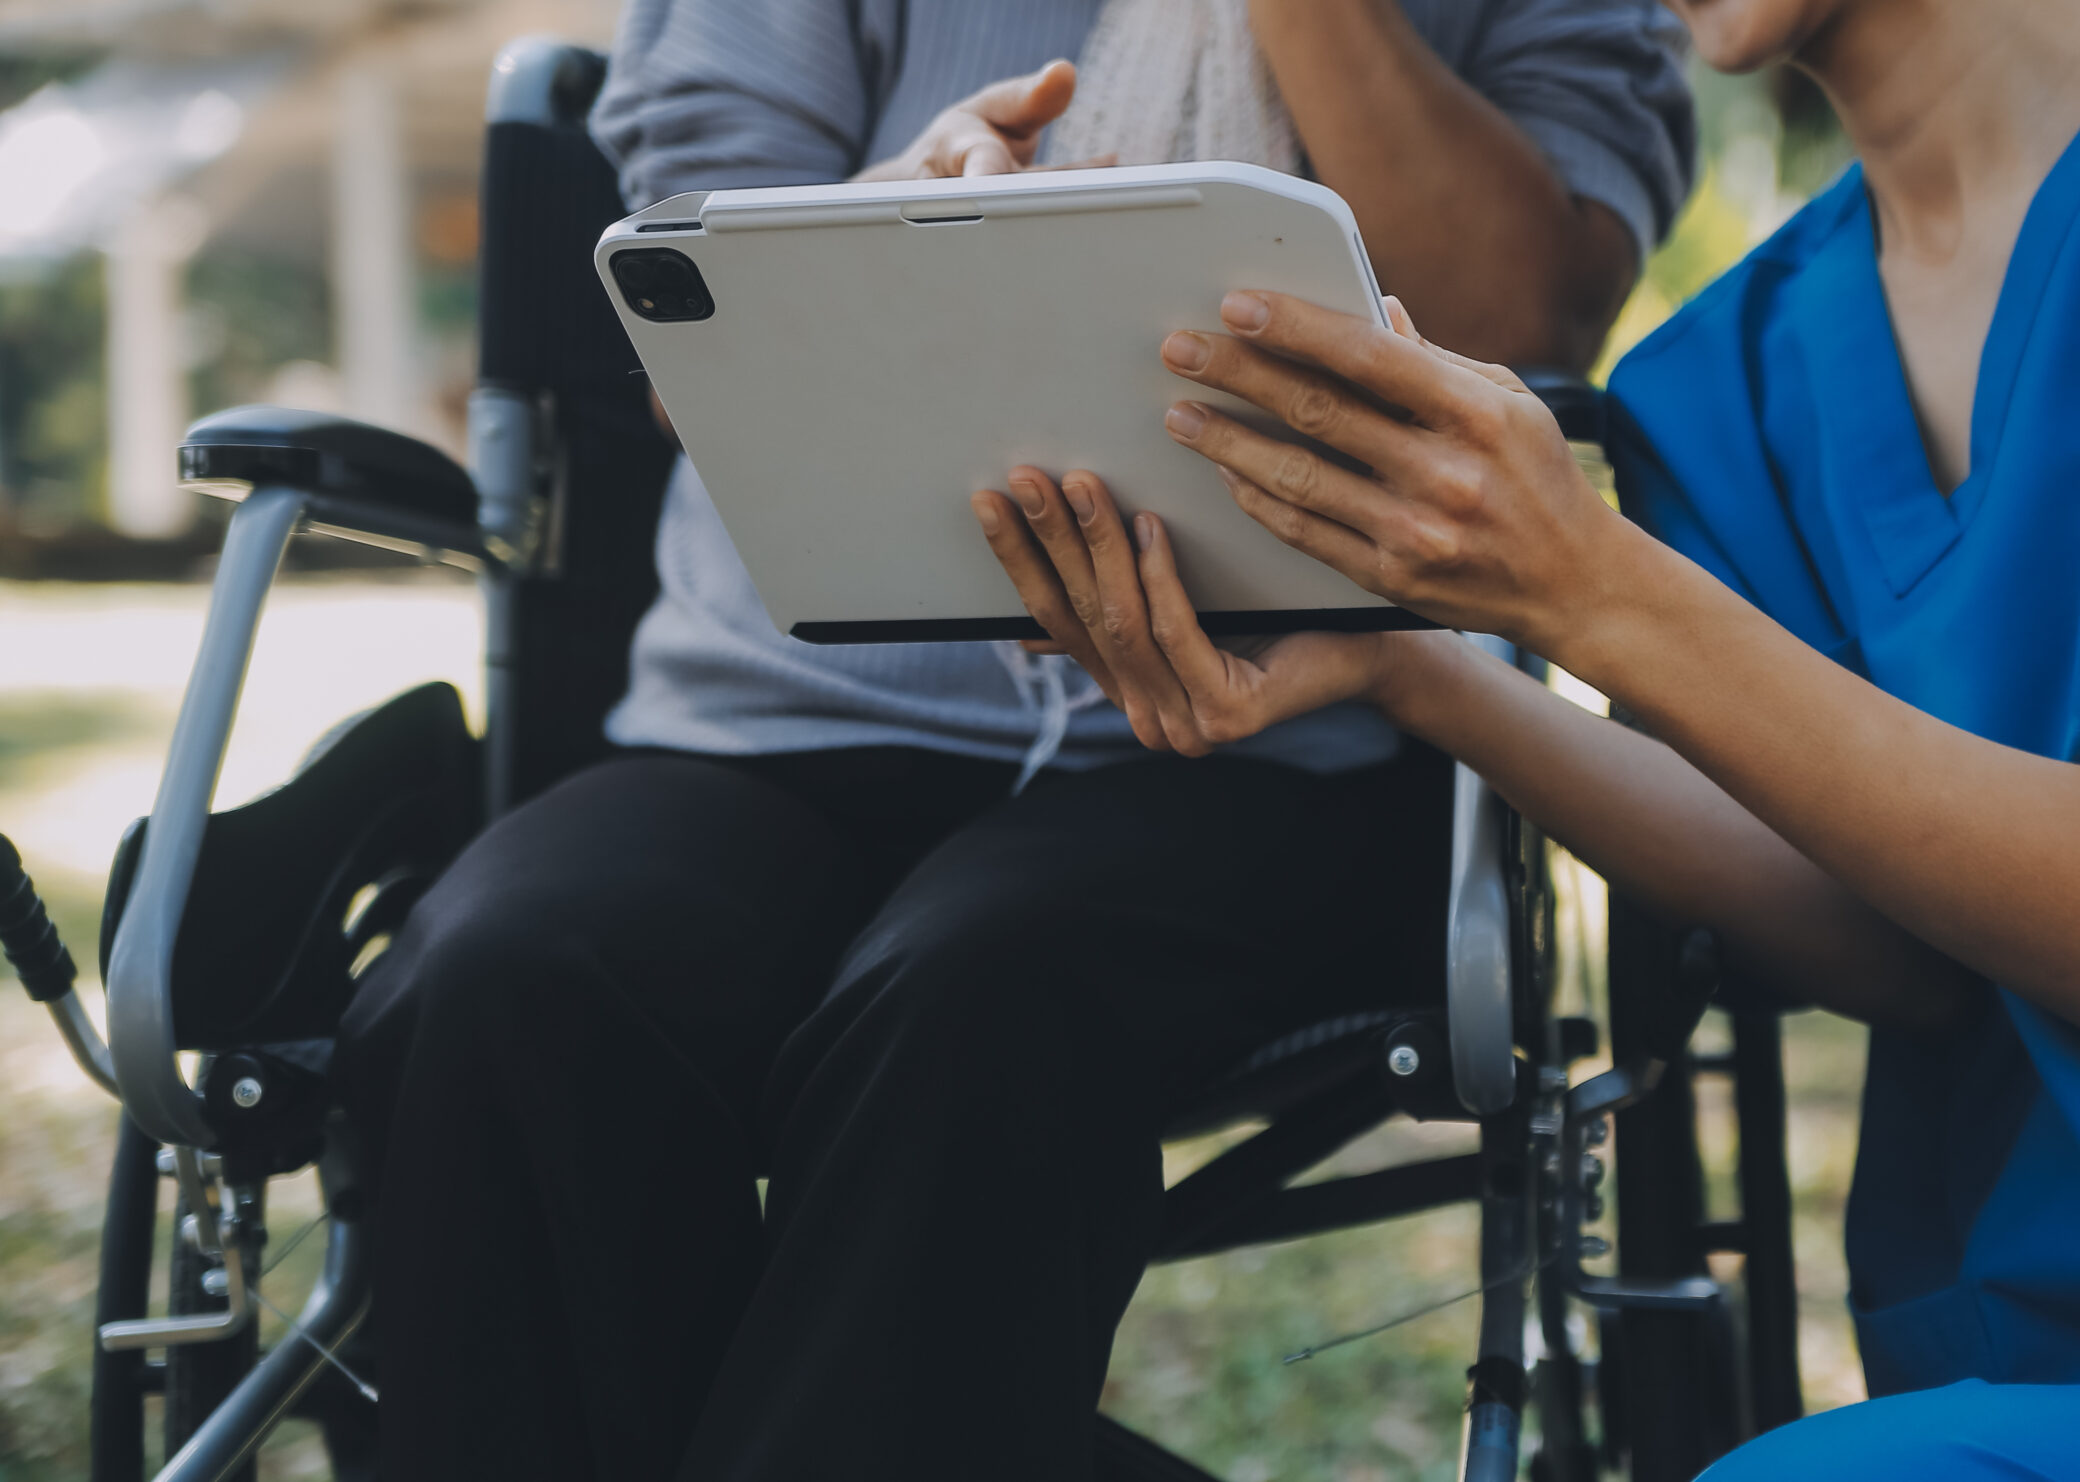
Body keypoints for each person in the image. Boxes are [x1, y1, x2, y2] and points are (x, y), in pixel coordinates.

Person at [979, 0, 2080, 1476]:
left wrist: (1591, 591)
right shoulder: (1729, 371)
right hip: (2023, 1372)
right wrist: (1424, 673)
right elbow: (1897, 952)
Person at [331, 3, 1692, 1479]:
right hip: (780, 713)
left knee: (984, 988)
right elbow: (691, 326)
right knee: (507, 967)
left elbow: (1516, 330)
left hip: (1273, 740)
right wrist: (883, 228)